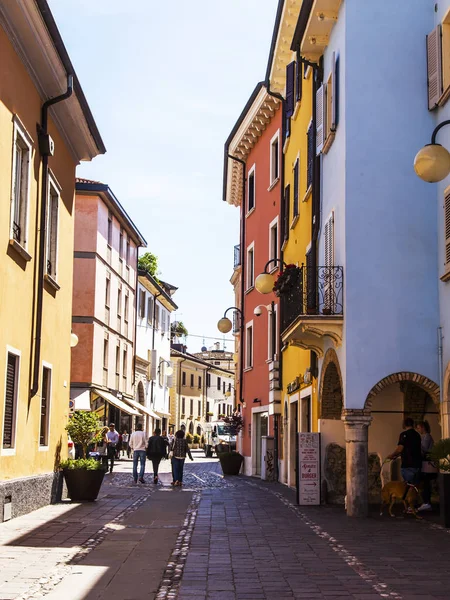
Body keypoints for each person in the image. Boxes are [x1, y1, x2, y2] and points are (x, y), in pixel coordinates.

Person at [387, 417, 422, 485]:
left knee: (409, 487)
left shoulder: (404, 434)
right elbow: (412, 449)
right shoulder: (417, 435)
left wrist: (392, 455)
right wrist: (397, 456)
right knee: (415, 487)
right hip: (417, 464)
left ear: (404, 424)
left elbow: (400, 449)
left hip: (408, 465)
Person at [416, 420, 438, 512]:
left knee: (425, 483)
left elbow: (423, 449)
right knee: (425, 483)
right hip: (426, 462)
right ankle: (426, 502)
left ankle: (427, 503)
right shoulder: (425, 437)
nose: (418, 430)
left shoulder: (427, 437)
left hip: (427, 463)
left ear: (422, 427)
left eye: (418, 428)